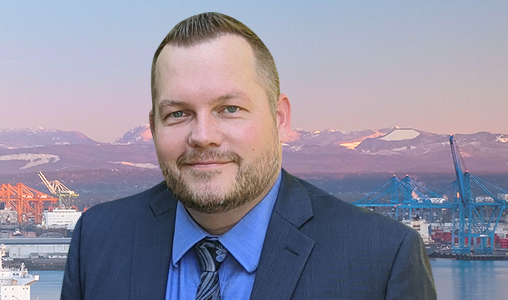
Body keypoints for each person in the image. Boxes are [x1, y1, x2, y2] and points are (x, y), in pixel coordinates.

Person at [59, 12, 436, 300]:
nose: (203, 136)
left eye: (230, 108)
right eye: (178, 113)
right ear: (154, 127)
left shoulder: (383, 259)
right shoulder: (98, 240)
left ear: (280, 119)